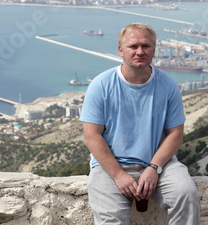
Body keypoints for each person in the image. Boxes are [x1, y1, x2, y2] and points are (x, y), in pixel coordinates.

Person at [80, 22, 201, 225]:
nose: (140, 51)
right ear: (120, 50)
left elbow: (175, 134)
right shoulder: (101, 85)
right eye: (133, 46)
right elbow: (91, 136)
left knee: (186, 195)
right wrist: (118, 174)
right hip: (110, 164)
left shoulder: (168, 85)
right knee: (111, 219)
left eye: (146, 46)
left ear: (154, 50)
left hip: (158, 162)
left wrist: (154, 168)